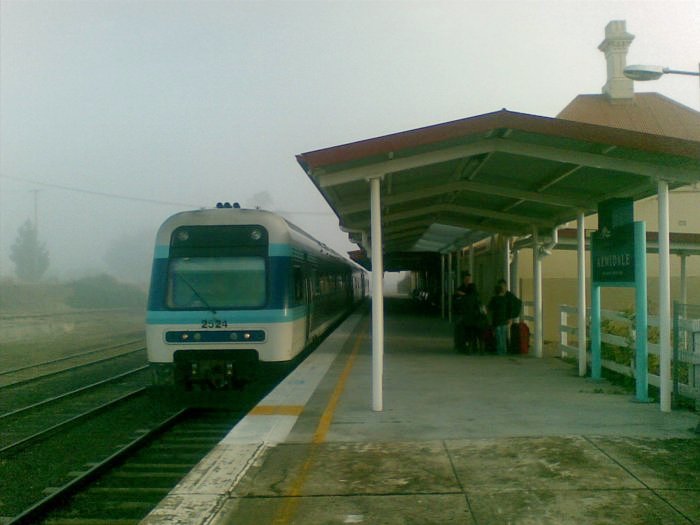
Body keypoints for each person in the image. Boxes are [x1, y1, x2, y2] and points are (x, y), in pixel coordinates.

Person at [488, 279, 522, 355]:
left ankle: (501, 351)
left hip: (501, 320)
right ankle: (503, 351)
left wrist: (511, 317)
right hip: (503, 320)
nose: (502, 288)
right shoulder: (507, 297)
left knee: (500, 336)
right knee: (502, 336)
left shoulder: (505, 297)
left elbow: (490, 308)